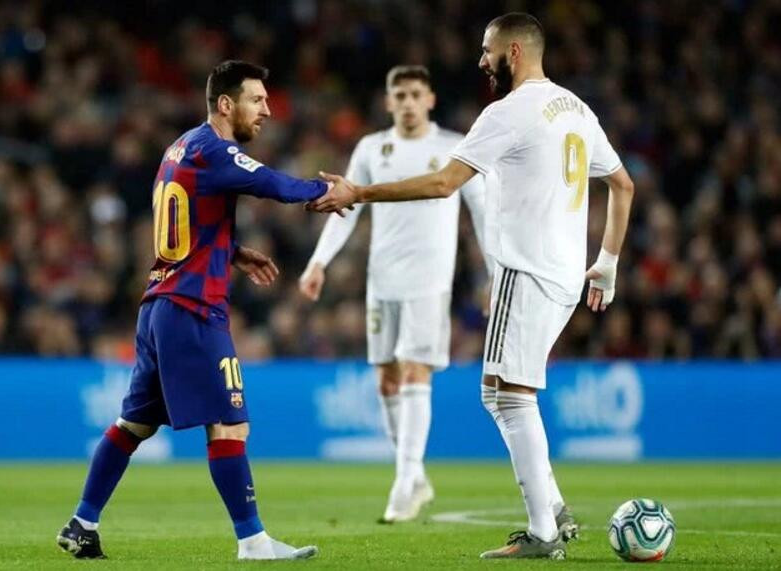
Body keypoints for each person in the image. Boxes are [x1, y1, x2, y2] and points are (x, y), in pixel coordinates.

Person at [309, 13, 635, 560]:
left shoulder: (508, 112)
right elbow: (621, 185)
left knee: (506, 395)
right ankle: (552, 508)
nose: (480, 61)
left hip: (526, 269)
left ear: (512, 52)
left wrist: (358, 193)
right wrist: (608, 263)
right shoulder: (577, 108)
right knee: (506, 393)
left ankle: (543, 533)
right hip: (565, 275)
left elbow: (443, 184)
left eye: (486, 51)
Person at [57, 60, 334, 561]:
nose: (268, 110)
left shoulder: (179, 147)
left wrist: (230, 250)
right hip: (192, 309)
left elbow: (186, 221)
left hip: (160, 306)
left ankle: (82, 521)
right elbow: (271, 183)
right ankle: (253, 541)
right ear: (226, 104)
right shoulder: (215, 149)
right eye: (258, 100)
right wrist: (327, 191)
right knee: (229, 425)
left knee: (133, 426)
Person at [298, 65, 491, 523]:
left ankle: (404, 484)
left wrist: (492, 273)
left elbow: (482, 211)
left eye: (414, 94)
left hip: (430, 280)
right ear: (388, 103)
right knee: (386, 379)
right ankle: (414, 474)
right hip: (382, 279)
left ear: (430, 100)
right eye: (398, 95)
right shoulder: (371, 147)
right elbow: (344, 207)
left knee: (414, 372)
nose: (406, 102)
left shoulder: (453, 147)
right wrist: (318, 262)